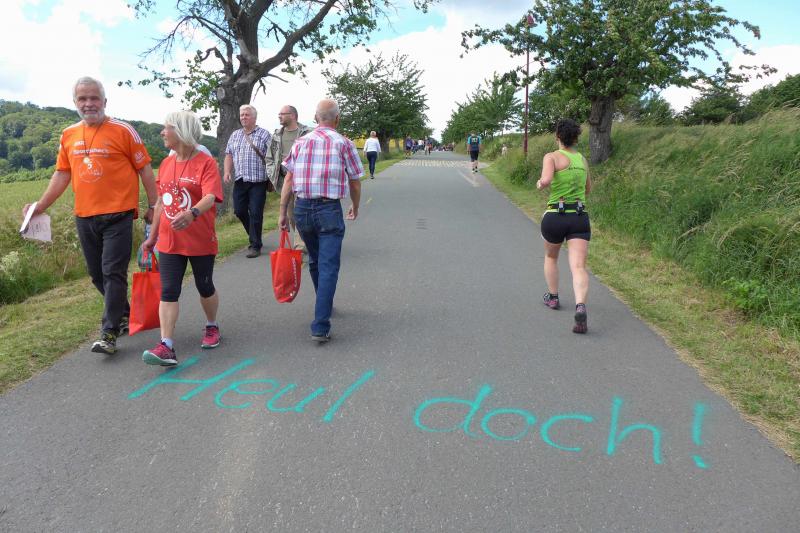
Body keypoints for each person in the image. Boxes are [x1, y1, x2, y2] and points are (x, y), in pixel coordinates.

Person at [22, 76, 158, 355]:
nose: (88, 103)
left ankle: (109, 333)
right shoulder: (68, 135)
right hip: (85, 216)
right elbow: (62, 174)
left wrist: (154, 206)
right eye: (82, 99)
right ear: (74, 102)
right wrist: (41, 206)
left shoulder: (124, 130)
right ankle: (124, 313)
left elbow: (144, 169)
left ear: (104, 101)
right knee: (97, 274)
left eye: (94, 98)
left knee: (112, 272)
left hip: (119, 213)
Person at [141, 111, 224, 366]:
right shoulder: (166, 164)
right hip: (169, 240)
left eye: (166, 128)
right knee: (168, 291)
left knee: (204, 286)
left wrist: (192, 213)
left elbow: (211, 196)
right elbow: (160, 204)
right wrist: (152, 237)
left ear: (181, 131)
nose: (162, 132)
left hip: (199, 238)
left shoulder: (206, 163)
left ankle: (212, 325)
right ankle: (166, 346)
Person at [278, 99, 363, 343]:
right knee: (328, 265)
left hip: (303, 208)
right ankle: (320, 323)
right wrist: (355, 205)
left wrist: (283, 211)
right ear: (337, 119)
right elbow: (355, 180)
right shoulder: (344, 143)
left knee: (315, 260)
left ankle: (322, 304)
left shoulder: (301, 142)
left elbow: (288, 179)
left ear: (316, 118)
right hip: (328, 209)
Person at [535, 118, 592, 334]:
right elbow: (588, 189)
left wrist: (540, 183)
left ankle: (553, 297)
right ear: (576, 138)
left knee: (551, 257)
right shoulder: (582, 160)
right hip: (579, 216)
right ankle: (580, 306)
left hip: (556, 216)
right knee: (578, 266)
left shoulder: (551, 157)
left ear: (557, 136)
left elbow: (546, 180)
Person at [224, 104, 272, 258]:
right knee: (239, 211)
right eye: (242, 115)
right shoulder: (235, 135)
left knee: (256, 212)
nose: (243, 117)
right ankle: (254, 236)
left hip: (258, 181)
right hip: (240, 180)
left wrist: (273, 176)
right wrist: (227, 171)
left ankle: (255, 245)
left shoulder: (264, 134)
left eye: (247, 114)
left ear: (254, 117)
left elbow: (272, 157)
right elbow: (228, 154)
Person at [265, 105, 312, 250]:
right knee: (291, 215)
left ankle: (300, 245)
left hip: (304, 179)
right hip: (285, 180)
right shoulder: (276, 135)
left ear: (292, 115)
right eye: (279, 114)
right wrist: (273, 173)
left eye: (282, 114)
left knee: (301, 211)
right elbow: (269, 158)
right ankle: (305, 239)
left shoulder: (307, 133)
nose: (279, 116)